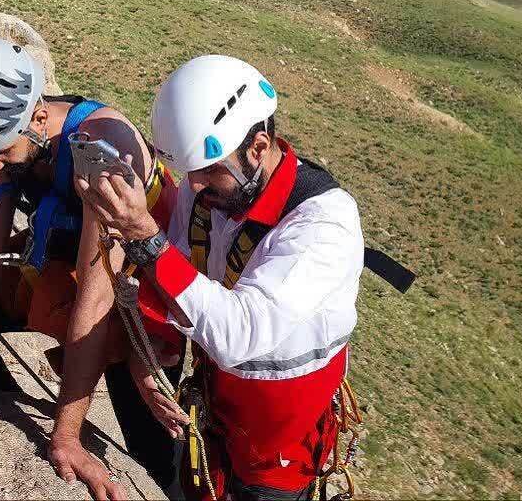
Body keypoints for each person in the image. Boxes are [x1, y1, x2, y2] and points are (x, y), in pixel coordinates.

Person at [76, 55, 367, 501]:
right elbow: (178, 274)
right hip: (220, 411)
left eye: (209, 170)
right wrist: (157, 348)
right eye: (189, 171)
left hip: (279, 450)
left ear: (258, 147)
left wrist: (146, 240)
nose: (192, 186)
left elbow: (240, 333)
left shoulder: (323, 225)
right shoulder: (211, 192)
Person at [0, 39, 182, 500]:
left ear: (39, 118)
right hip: (67, 262)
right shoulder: (8, 136)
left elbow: (97, 299)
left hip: (145, 293)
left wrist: (66, 437)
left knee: (150, 418)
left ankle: (167, 482)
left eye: (1, 152)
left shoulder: (104, 158)